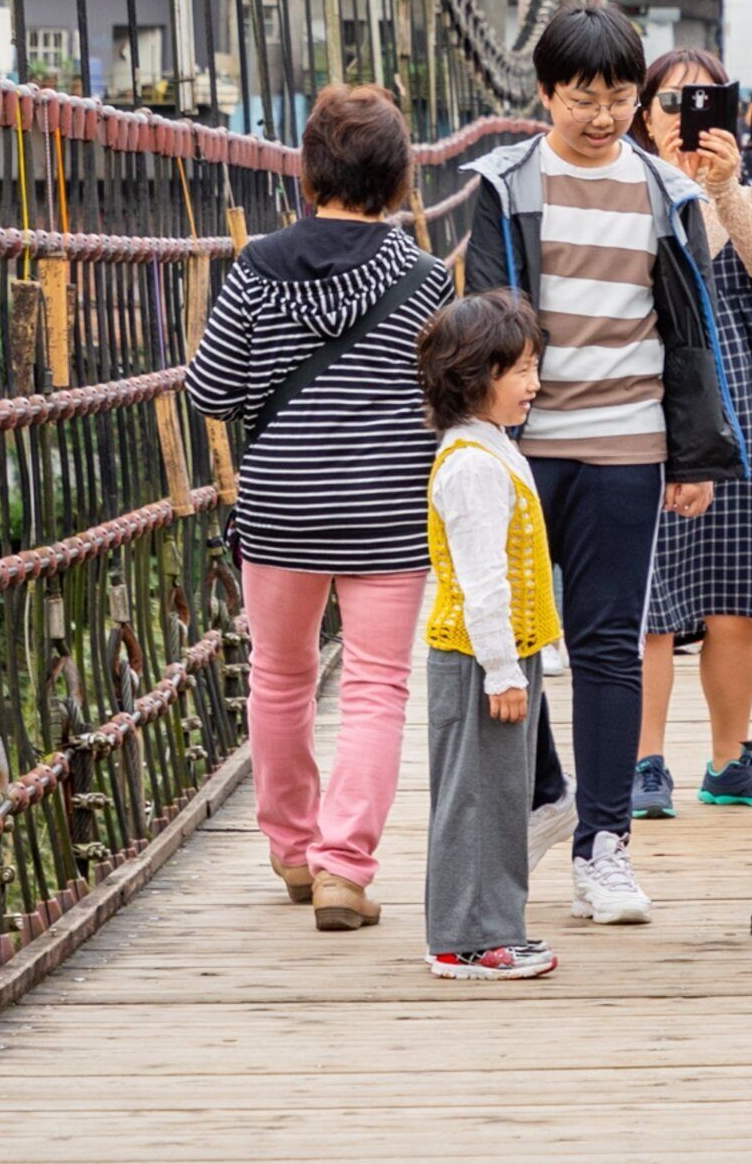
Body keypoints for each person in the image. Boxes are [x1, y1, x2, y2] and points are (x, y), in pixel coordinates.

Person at [453, 6, 743, 927]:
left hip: (627, 443)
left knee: (609, 640)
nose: (604, 115)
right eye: (583, 98)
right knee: (514, 634)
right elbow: (487, 324)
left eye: (620, 96)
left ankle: (603, 845)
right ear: (544, 95)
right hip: (523, 452)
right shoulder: (504, 186)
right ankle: (547, 793)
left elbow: (691, 332)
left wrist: (693, 451)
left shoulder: (668, 192)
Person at [182, 84, 448, 931]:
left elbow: (211, 390)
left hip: (282, 509)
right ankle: (344, 867)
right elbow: (446, 401)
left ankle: (294, 850)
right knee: (375, 687)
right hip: (387, 512)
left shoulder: (256, 265)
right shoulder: (426, 277)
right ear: (401, 178)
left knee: (280, 677)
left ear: (308, 171)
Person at [626, 47, 752, 815]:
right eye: (671, 104)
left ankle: (729, 760)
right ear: (643, 116)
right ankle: (643, 764)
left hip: (738, 402)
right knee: (650, 604)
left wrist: (723, 188)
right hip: (649, 397)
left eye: (702, 103)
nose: (684, 119)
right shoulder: (624, 193)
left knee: (734, 596)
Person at [416, 288, 563, 981]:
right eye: (522, 370)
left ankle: (496, 925)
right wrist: (502, 671)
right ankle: (464, 939)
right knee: (474, 798)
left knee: (500, 795)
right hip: (480, 659)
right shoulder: (473, 466)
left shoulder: (491, 447)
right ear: (476, 376)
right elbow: (482, 580)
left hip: (505, 653)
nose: (535, 384)